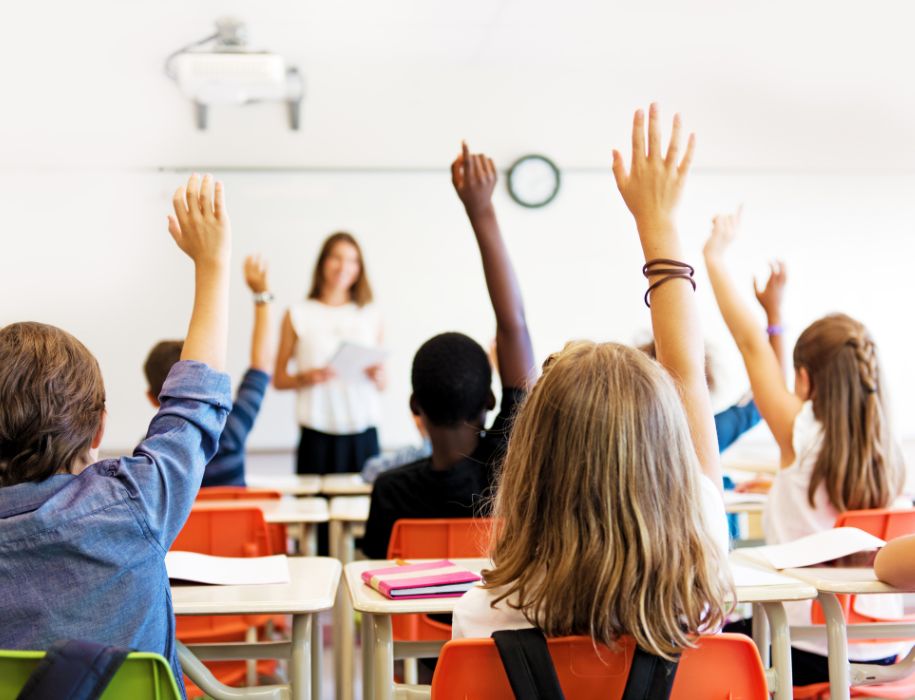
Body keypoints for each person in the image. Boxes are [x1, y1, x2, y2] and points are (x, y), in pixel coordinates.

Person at [453, 105, 731, 660]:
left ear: (531, 460)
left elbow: (687, 381)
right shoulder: (701, 590)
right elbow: (689, 380)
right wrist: (659, 224)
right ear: (666, 449)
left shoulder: (486, 614)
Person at [0, 174, 232, 697]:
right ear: (101, 426)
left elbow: (194, 403)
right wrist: (212, 266)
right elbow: (195, 404)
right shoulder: (132, 506)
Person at [704, 206, 906, 684]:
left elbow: (751, 345)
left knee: (707, 638)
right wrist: (776, 314)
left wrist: (715, 255)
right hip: (890, 654)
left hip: (804, 652)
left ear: (804, 378)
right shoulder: (893, 454)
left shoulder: (800, 432)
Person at [361, 142, 535, 560]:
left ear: (414, 407)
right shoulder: (509, 473)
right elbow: (514, 326)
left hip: (414, 630)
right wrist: (481, 211)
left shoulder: (390, 491)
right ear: (491, 400)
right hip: (496, 628)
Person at [143, 254, 274, 487]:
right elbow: (262, 366)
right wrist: (261, 296)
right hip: (235, 526)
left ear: (153, 398)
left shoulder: (150, 454)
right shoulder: (231, 431)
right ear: (202, 382)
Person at [274, 232, 384, 475]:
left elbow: (382, 383)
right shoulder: (297, 313)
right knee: (313, 509)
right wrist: (307, 377)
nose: (344, 267)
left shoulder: (370, 314)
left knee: (364, 510)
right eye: (337, 258)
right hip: (317, 432)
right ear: (323, 262)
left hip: (363, 431)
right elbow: (279, 379)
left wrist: (379, 377)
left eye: (353, 260)